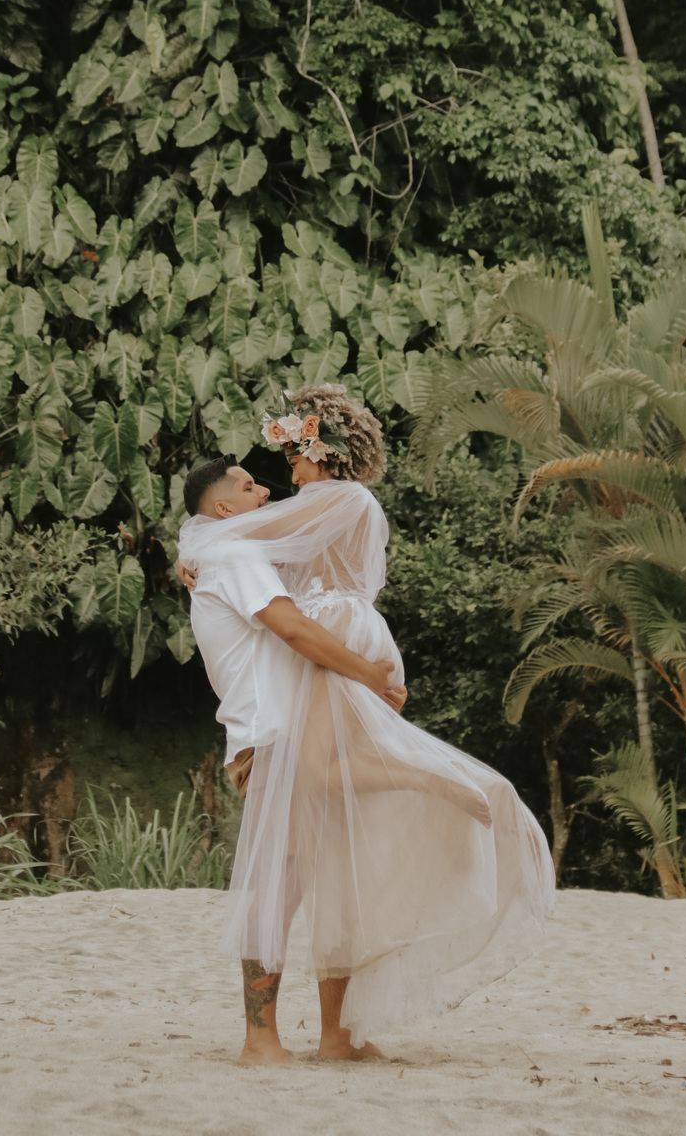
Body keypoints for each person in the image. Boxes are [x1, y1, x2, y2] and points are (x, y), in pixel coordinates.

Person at [178, 384, 555, 1062]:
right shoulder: (298, 522)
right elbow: (256, 553)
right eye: (261, 475)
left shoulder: (338, 501)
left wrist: (198, 544)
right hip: (327, 656)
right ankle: (327, 1037)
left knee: (319, 832)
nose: (283, 474)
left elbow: (247, 543)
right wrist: (202, 550)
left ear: (322, 450)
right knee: (328, 859)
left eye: (294, 454)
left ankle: (326, 1035)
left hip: (337, 642)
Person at [181, 451, 407, 1062]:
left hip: (301, 731)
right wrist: (369, 675)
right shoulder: (234, 556)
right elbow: (294, 629)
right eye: (250, 487)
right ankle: (261, 1040)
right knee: (278, 887)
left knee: (334, 877)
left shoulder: (235, 551)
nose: (268, 492)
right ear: (223, 508)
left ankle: (339, 1036)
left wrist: (188, 548)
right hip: (275, 738)